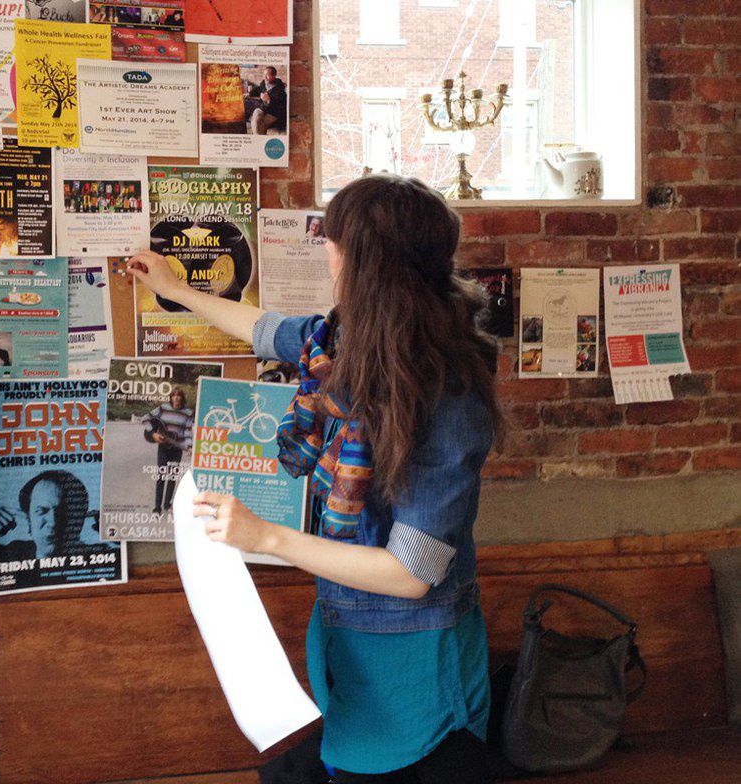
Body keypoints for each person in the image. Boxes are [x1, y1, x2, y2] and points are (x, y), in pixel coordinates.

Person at [128, 175, 500, 784]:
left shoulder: (446, 390)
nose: (327, 252)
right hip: (347, 639)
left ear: (364, 261)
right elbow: (262, 326)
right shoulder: (340, 343)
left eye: (336, 241)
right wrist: (175, 289)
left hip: (419, 664)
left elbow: (412, 573)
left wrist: (265, 538)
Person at [144, 387, 194, 513]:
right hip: (163, 447)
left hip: (177, 449)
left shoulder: (188, 412)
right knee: (161, 476)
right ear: (170, 397)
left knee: (172, 477)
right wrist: (153, 433)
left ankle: (167, 504)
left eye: (179, 395)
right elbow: (145, 418)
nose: (176, 397)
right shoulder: (163, 408)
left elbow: (187, 431)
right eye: (173, 395)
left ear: (182, 398)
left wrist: (189, 446)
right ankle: (157, 507)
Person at [244, 66, 287, 135]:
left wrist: (269, 100)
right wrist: (249, 94)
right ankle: (261, 139)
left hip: (274, 113)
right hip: (263, 108)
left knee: (258, 123)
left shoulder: (280, 88)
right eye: (264, 75)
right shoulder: (264, 82)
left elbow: (281, 106)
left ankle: (258, 140)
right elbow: (258, 88)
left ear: (274, 76)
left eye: (267, 75)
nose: (265, 77)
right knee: (256, 117)